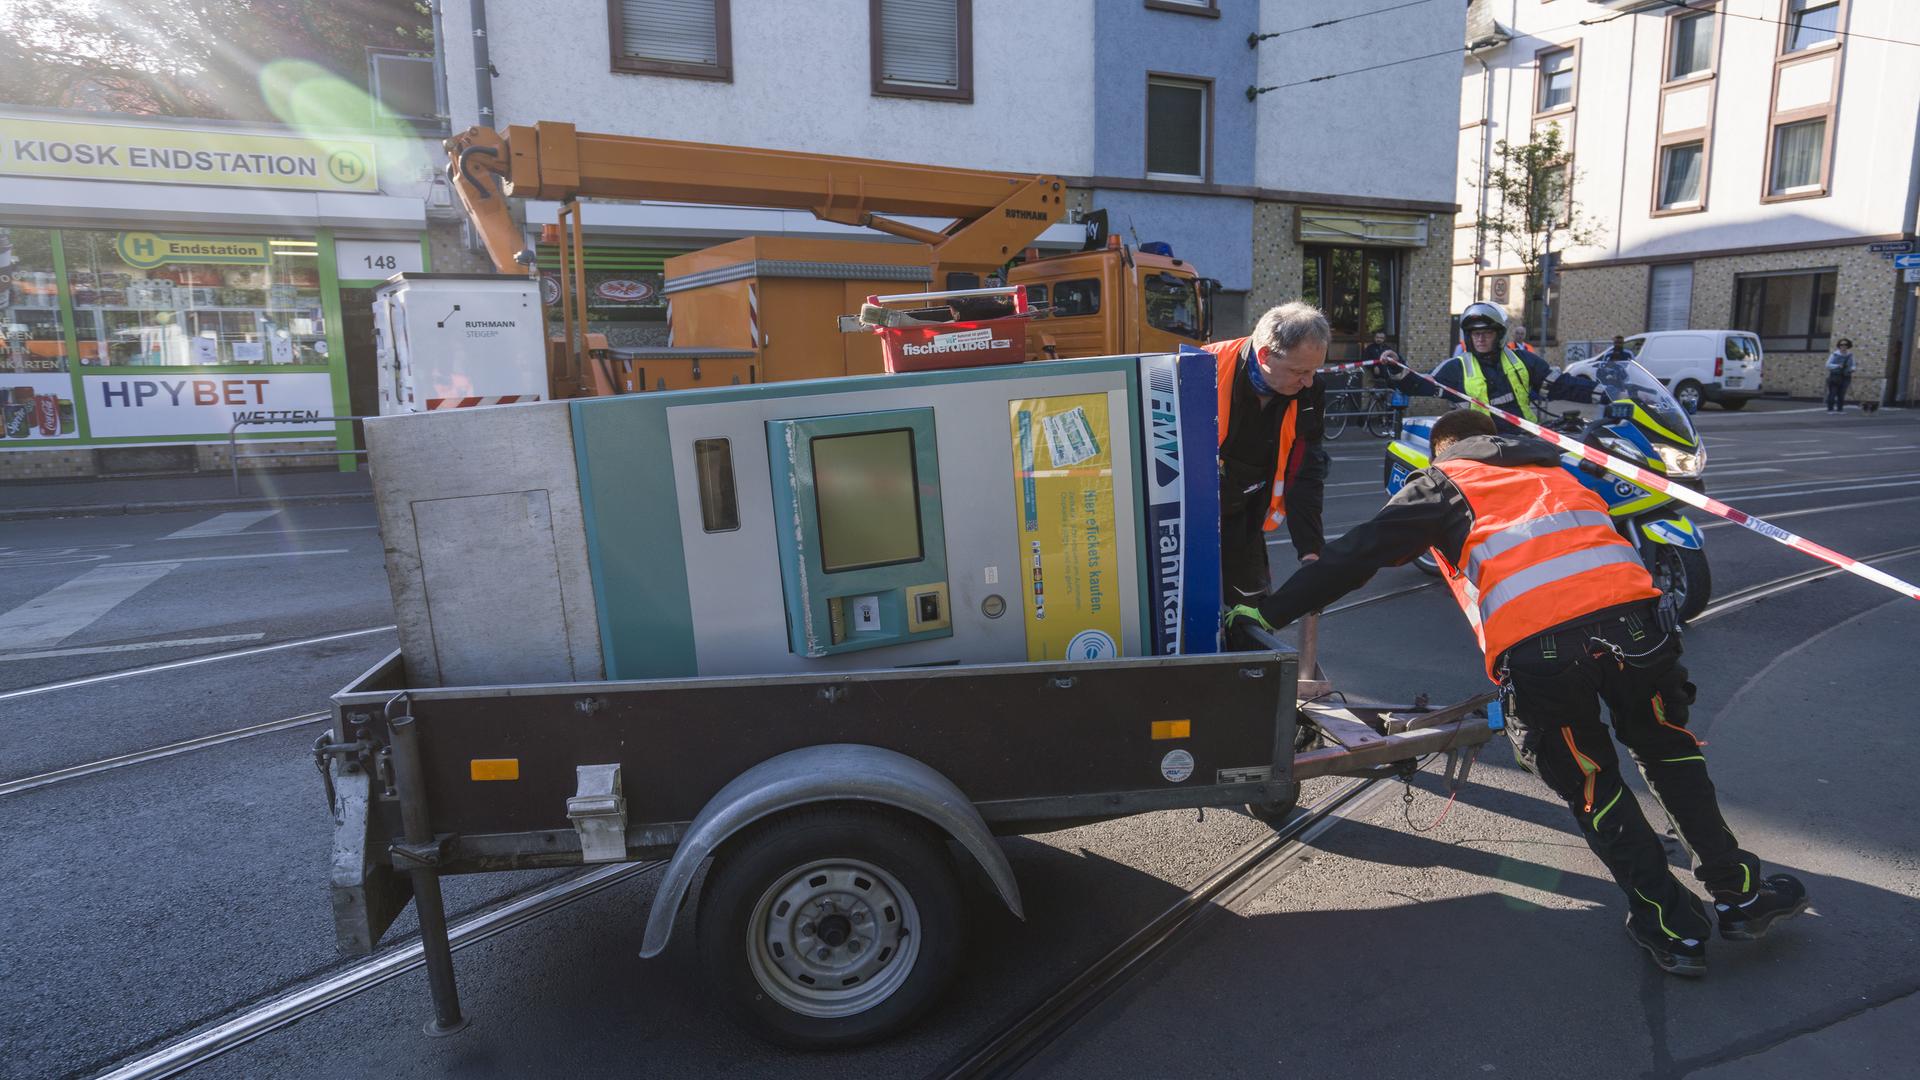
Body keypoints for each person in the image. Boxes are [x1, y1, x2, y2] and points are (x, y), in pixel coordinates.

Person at [1228, 409, 1811, 976]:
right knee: (1670, 752)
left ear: (1444, 449)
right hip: (1639, 628)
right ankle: (1740, 894)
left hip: (1547, 652)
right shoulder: (1558, 469)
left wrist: (1266, 610)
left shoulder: (1442, 482)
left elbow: (1352, 558)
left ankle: (1670, 924)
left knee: (1591, 781)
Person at [1203, 302, 1331, 605]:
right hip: (1187, 516)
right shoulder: (1201, 368)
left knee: (1251, 612)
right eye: (1299, 371)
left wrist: (1311, 551)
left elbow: (1306, 469)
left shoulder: (1310, 391)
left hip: (1246, 513)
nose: (1308, 381)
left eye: (1314, 370)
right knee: (1187, 615)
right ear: (1265, 356)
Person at [1380, 301, 1598, 434]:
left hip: (1526, 437)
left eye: (1487, 333)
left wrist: (1605, 393)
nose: (1481, 339)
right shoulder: (1457, 367)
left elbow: (1562, 386)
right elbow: (1419, 385)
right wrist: (1396, 365)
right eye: (1476, 334)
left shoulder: (1523, 360)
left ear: (1499, 335)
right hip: (1481, 444)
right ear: (1469, 336)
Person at [1825, 338, 1855, 413]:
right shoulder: (1834, 354)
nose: (1843, 346)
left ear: (1848, 346)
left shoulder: (1850, 355)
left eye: (1845, 344)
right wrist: (1837, 365)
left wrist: (1853, 369)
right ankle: (1830, 409)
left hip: (1846, 376)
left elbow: (1853, 365)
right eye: (1841, 344)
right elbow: (1827, 365)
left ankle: (1840, 409)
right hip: (1835, 375)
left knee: (1842, 393)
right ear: (1839, 346)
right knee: (1833, 392)